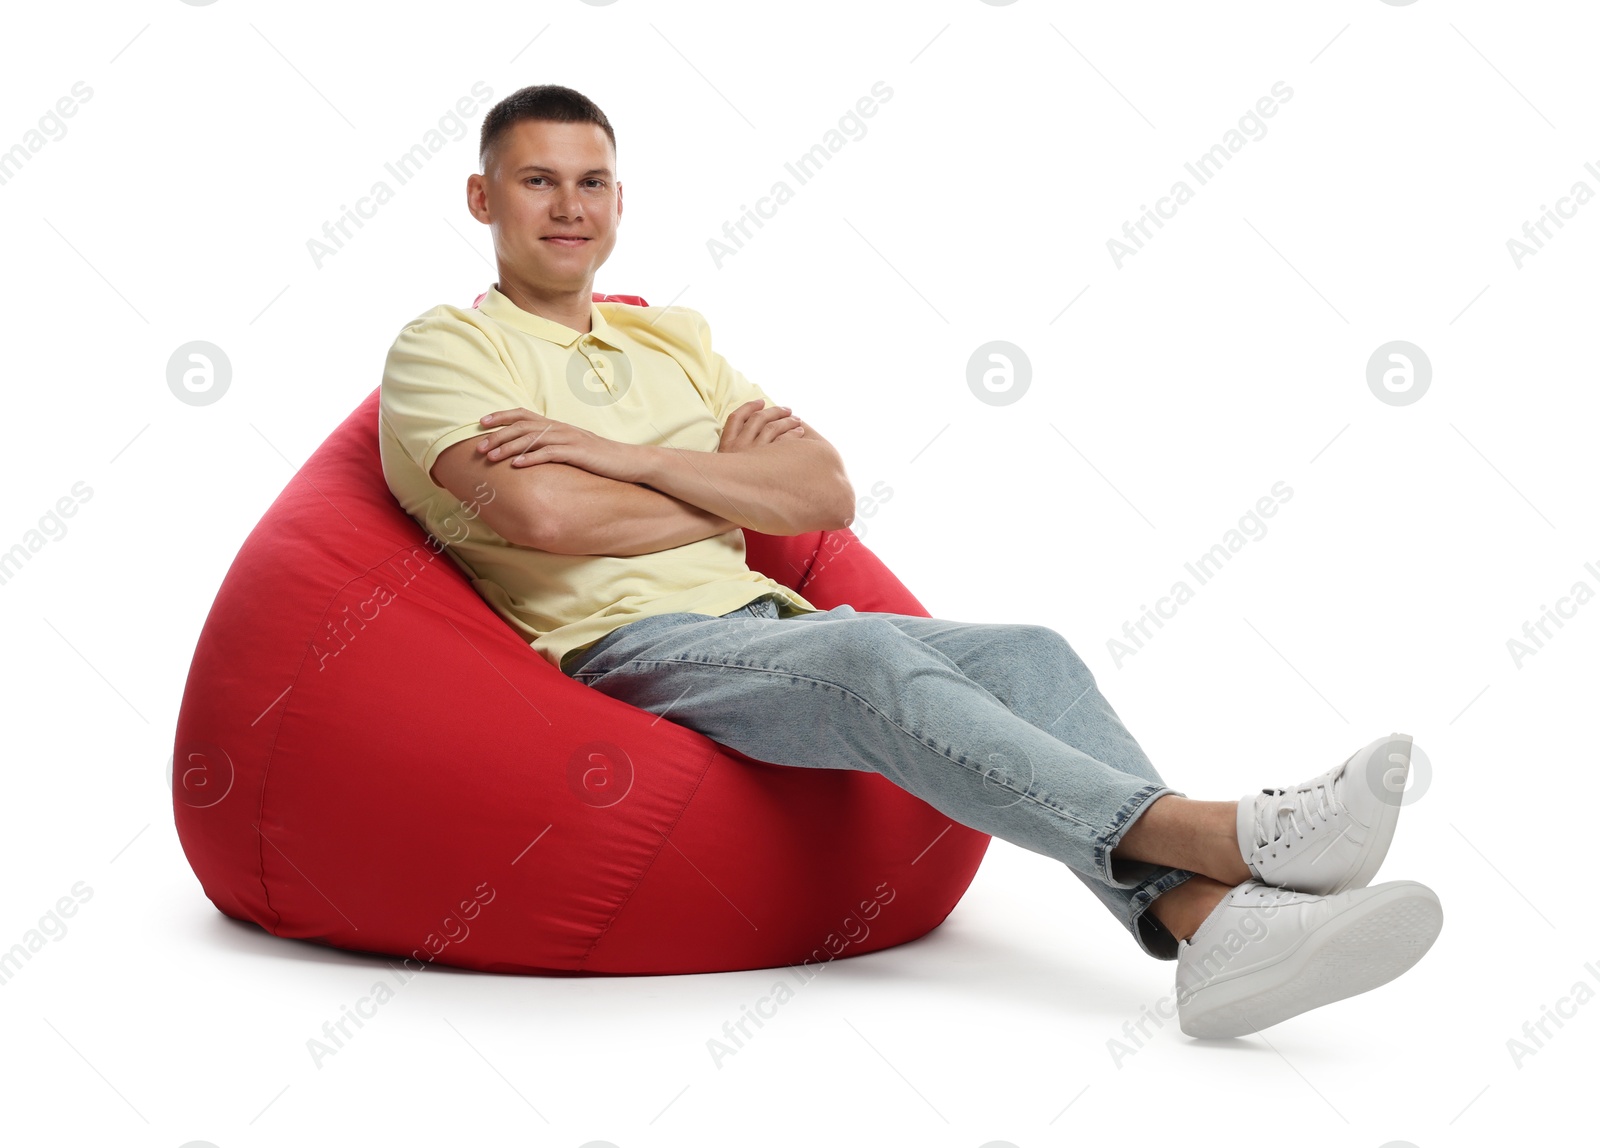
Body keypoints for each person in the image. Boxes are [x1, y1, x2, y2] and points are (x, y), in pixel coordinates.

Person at [379, 84, 1442, 1038]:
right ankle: (1233, 834)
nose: (570, 206)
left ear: (620, 200)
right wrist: (710, 491)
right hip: (626, 647)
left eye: (592, 181)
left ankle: (1206, 928)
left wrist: (623, 460)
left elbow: (821, 492)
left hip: (764, 625)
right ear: (484, 200)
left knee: (1032, 652)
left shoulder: (674, 341)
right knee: (872, 667)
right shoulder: (447, 348)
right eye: (538, 181)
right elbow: (541, 513)